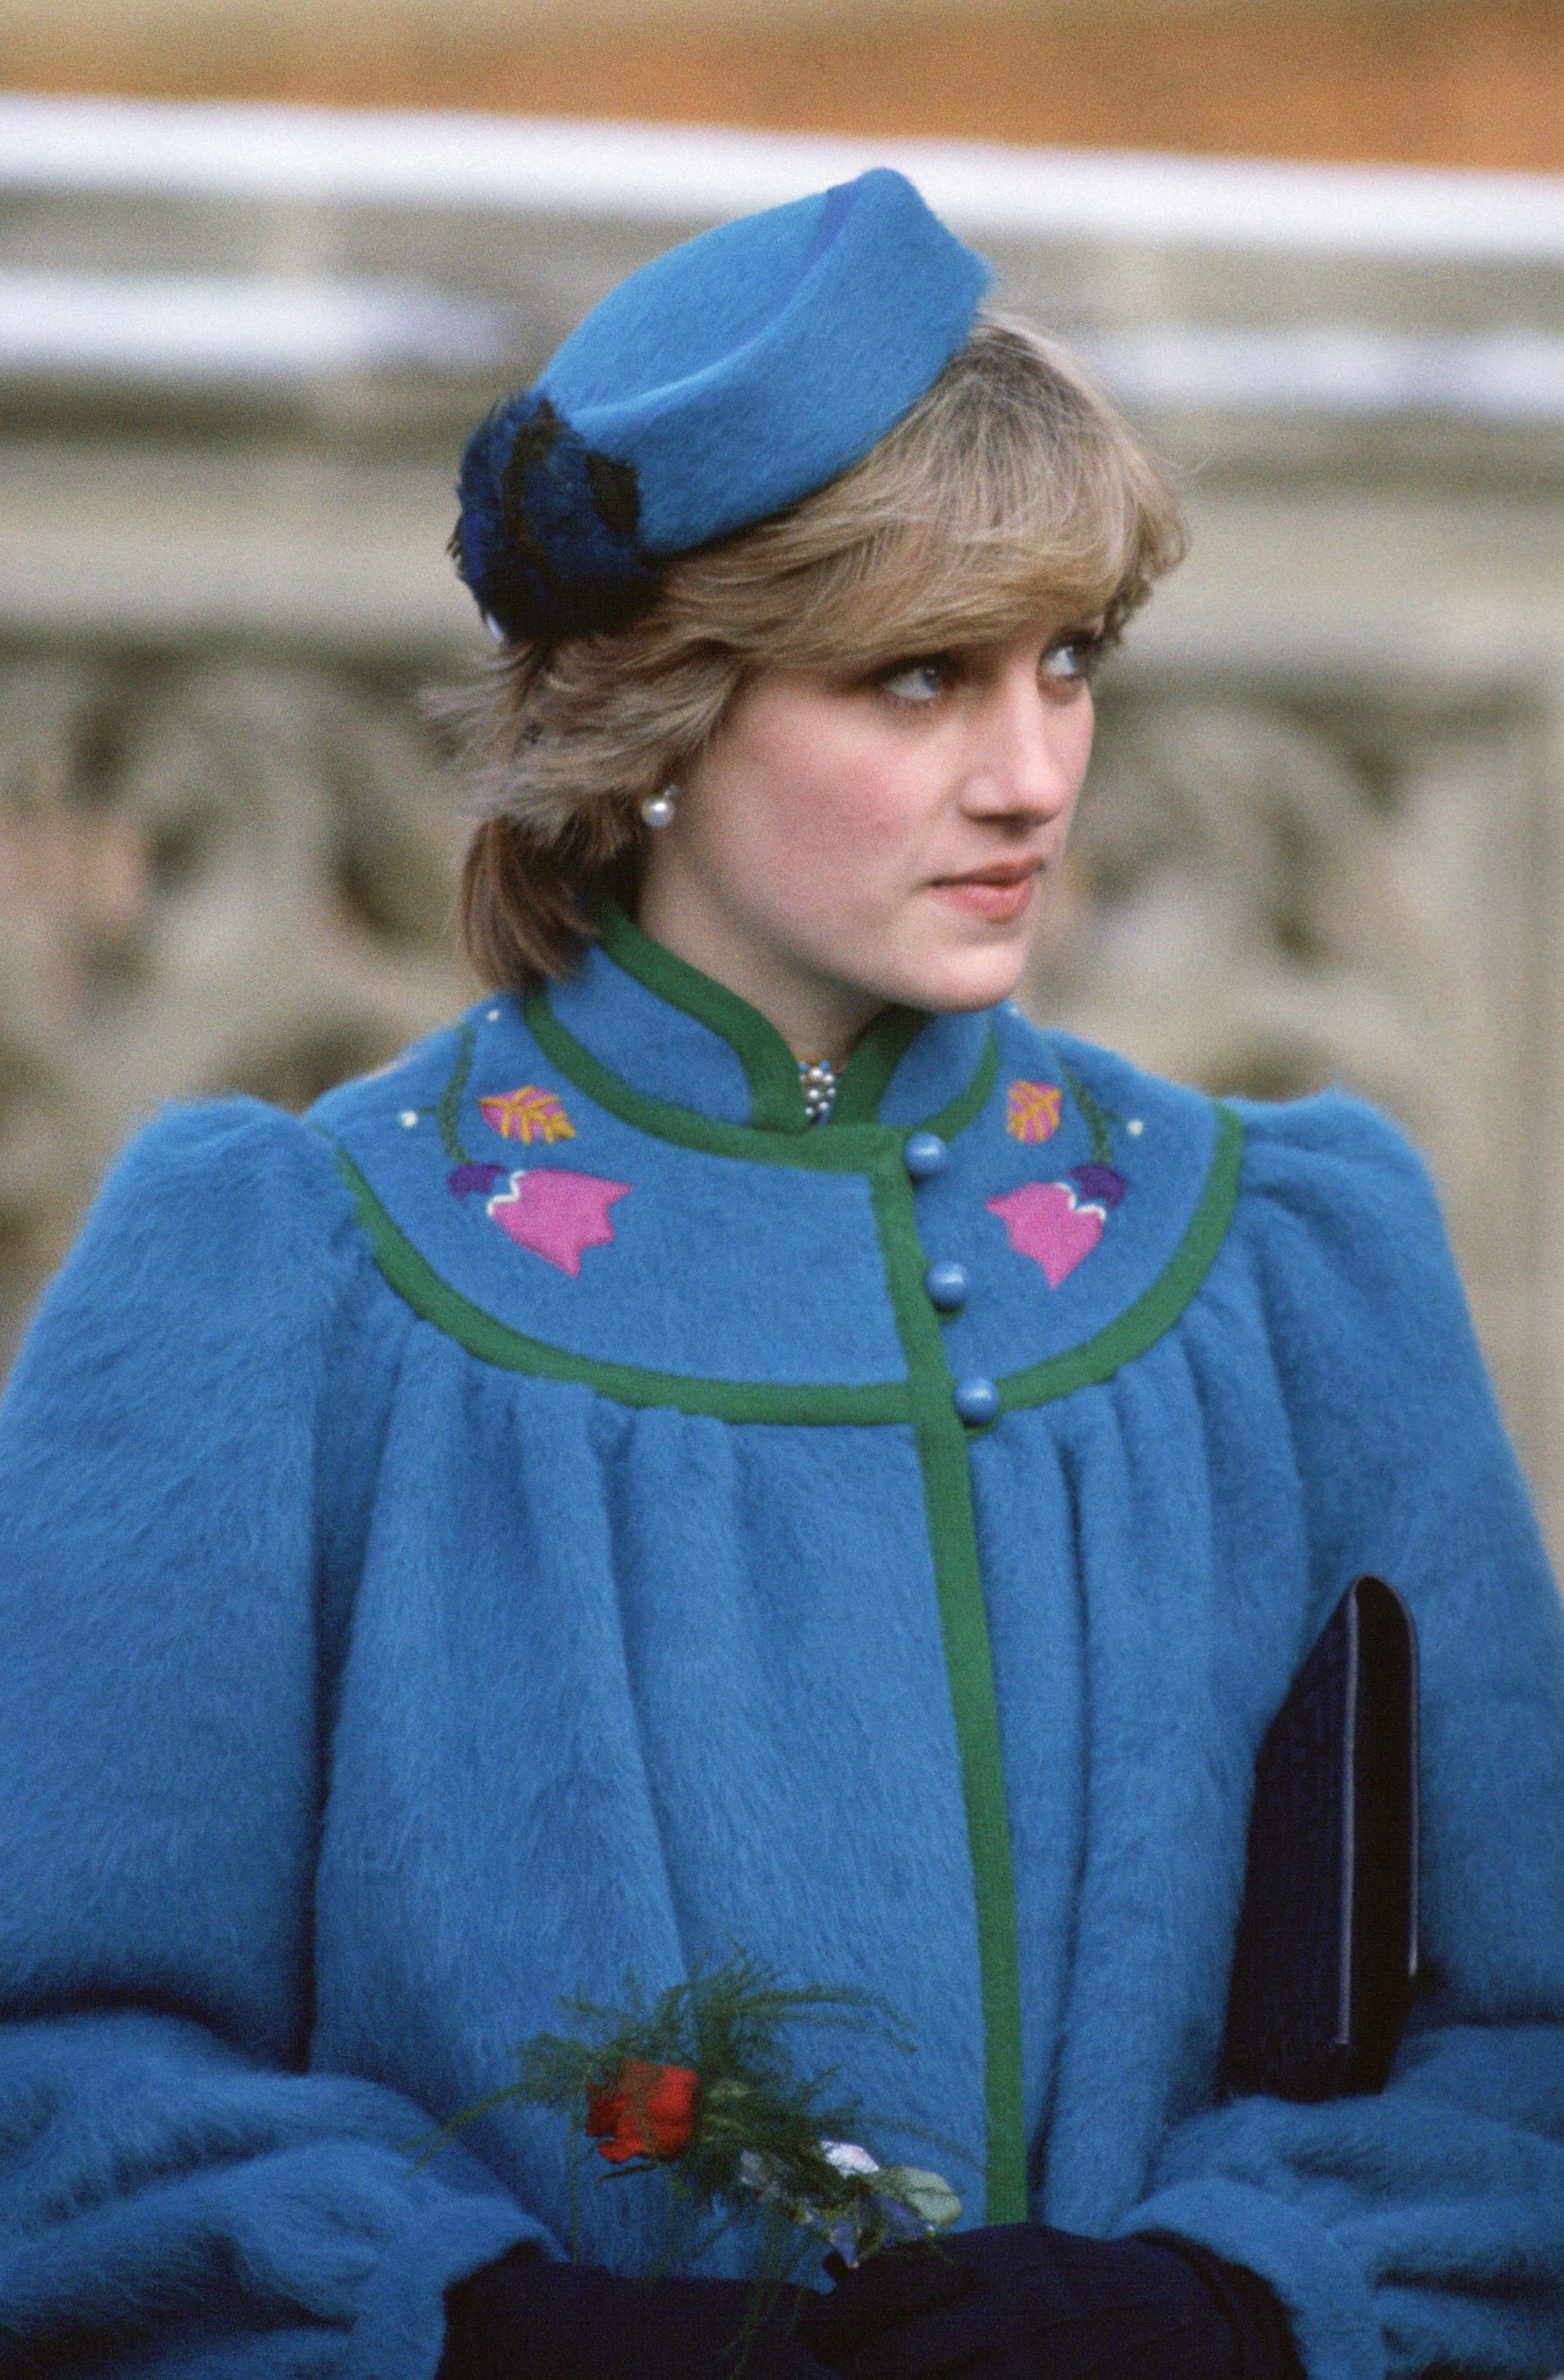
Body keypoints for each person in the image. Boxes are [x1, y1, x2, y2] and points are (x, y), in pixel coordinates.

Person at [0, 168, 1561, 2380]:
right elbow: (49, 2073)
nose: (1031, 775)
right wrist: (479, 2336)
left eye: (1065, 662)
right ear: (660, 714)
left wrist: (1229, 2302)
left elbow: (1531, 2053)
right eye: (915, 679)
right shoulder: (285, 1277)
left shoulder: (1290, 1259)